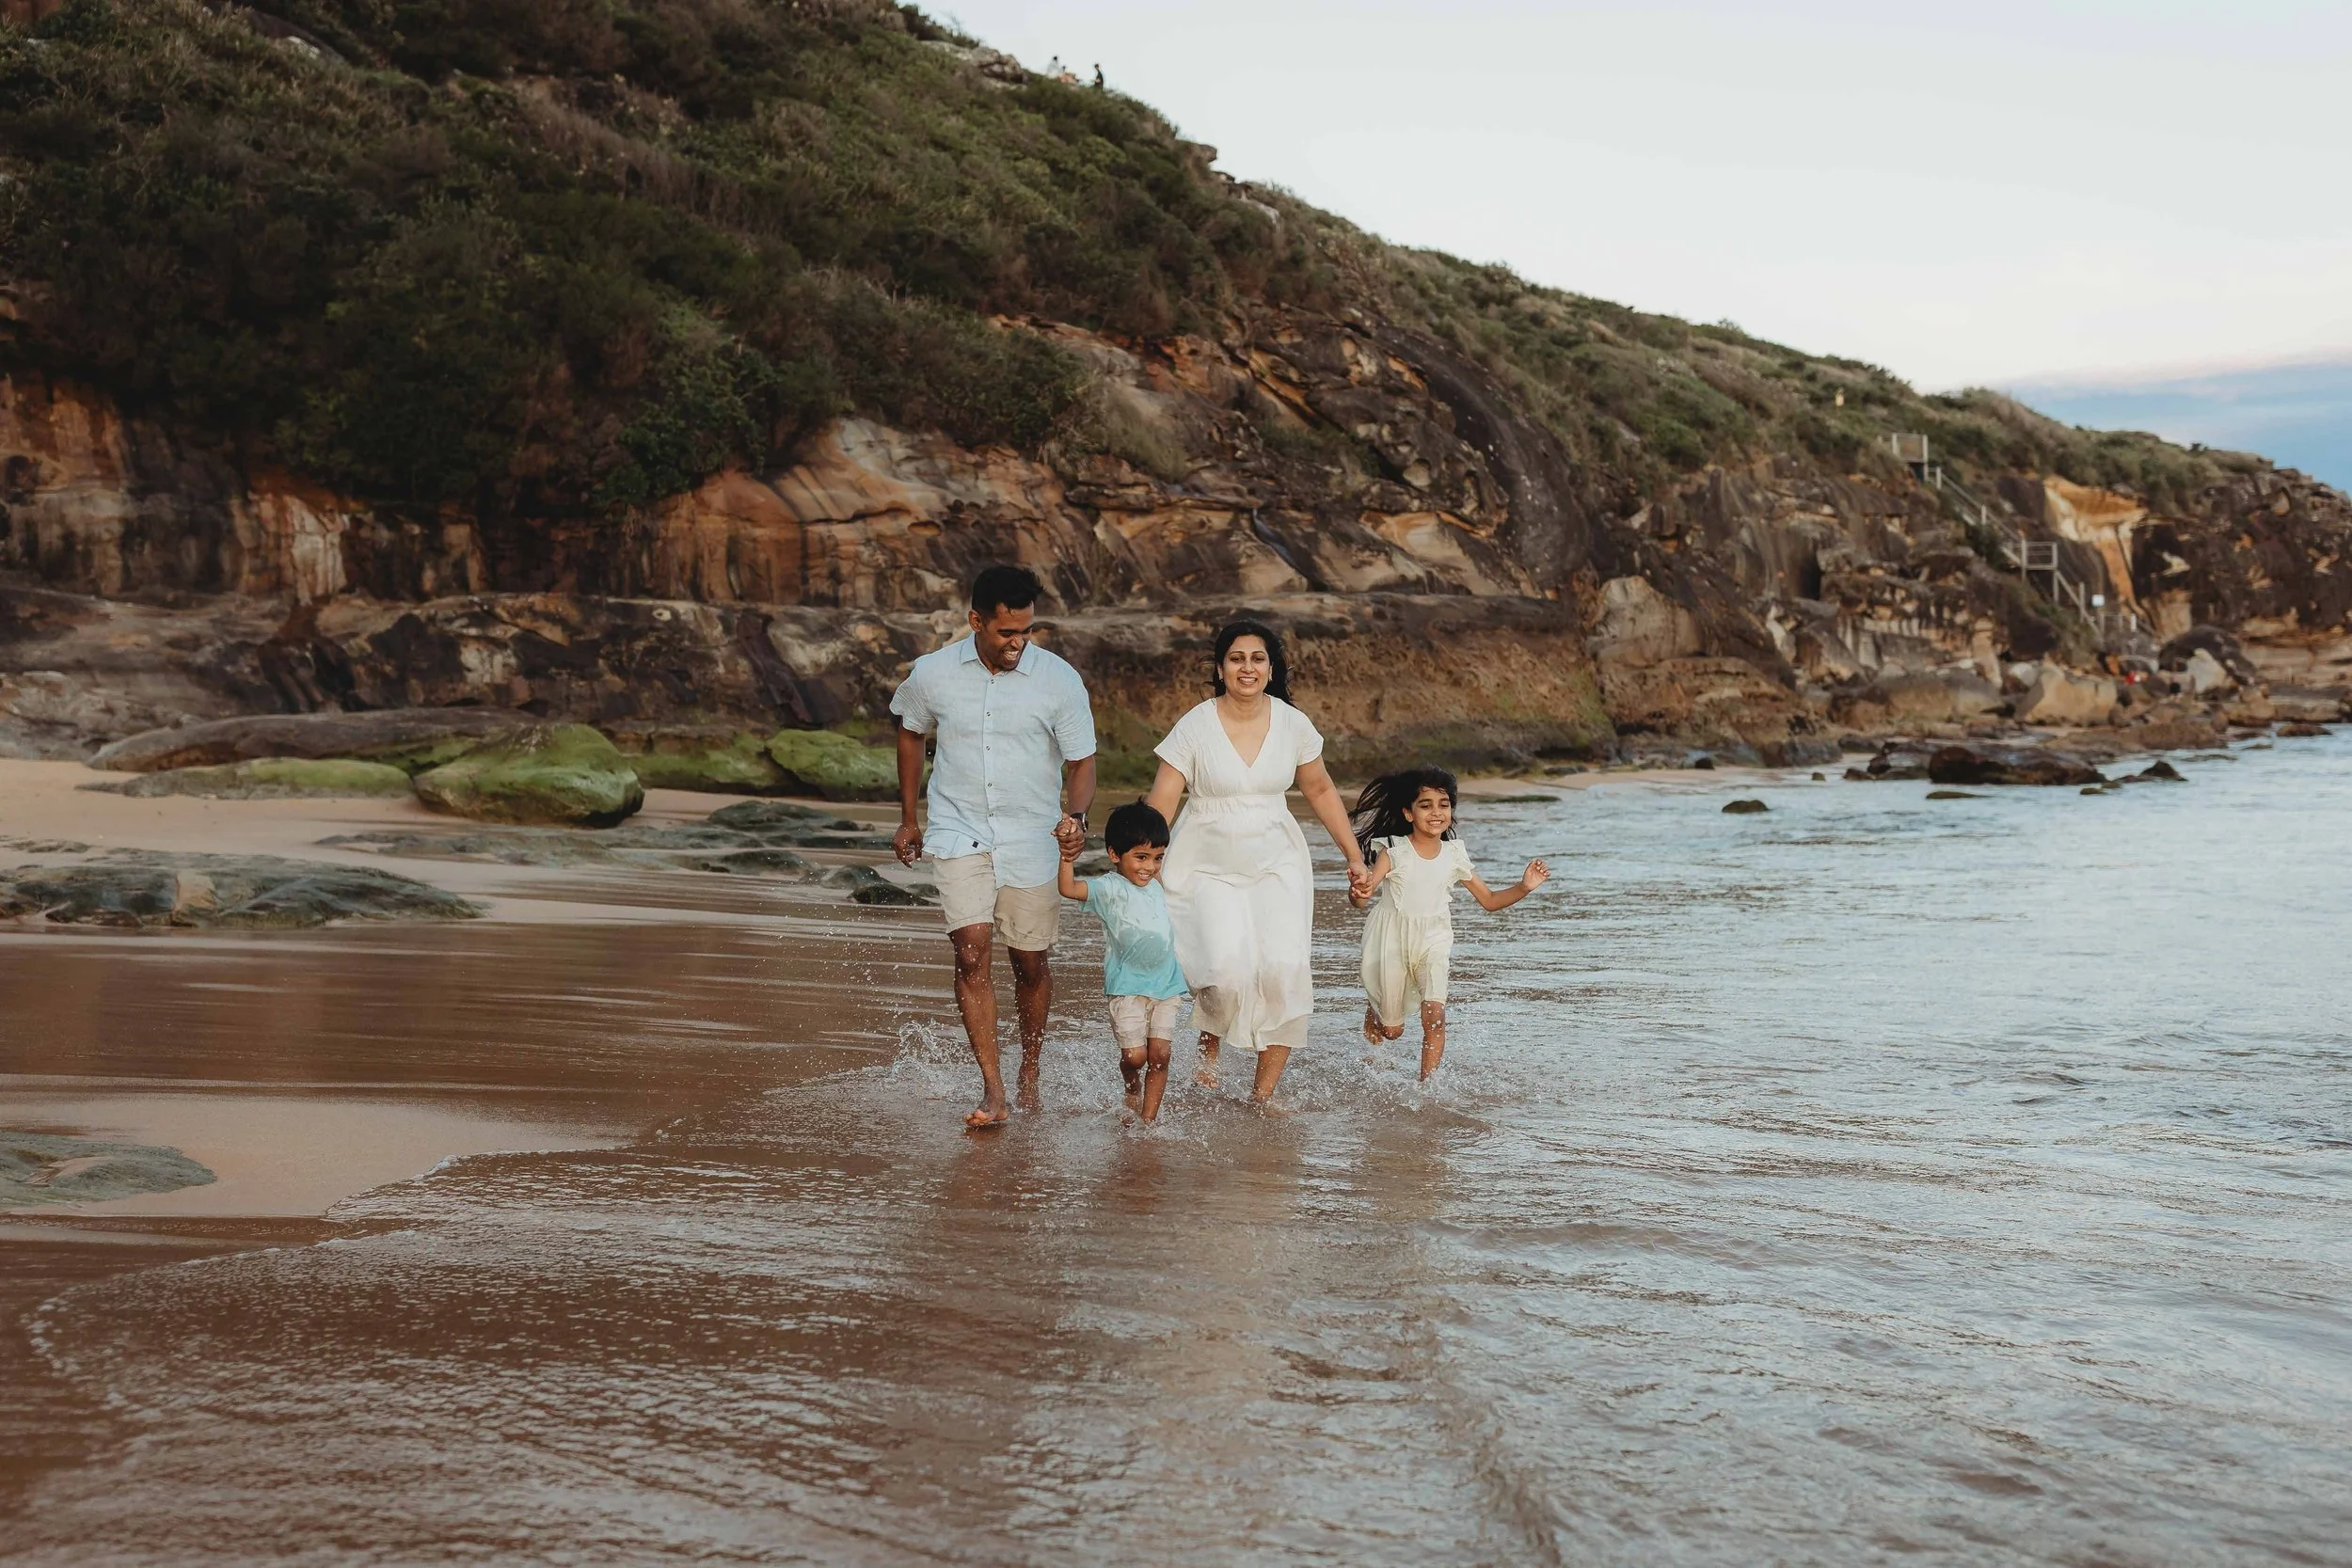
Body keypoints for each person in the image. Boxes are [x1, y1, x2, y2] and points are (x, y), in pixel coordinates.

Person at [892, 566, 1097, 1130]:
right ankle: (995, 1087)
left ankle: (1030, 1068)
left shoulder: (1059, 680)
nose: (1018, 644)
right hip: (959, 829)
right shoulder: (932, 674)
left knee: (1029, 962)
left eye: (1026, 631)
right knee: (971, 950)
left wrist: (1075, 818)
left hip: (1033, 837)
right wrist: (910, 819)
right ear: (976, 621)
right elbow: (910, 730)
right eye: (1007, 632)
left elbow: (1081, 762)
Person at [1144, 620, 1368, 1109]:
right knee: (1223, 971)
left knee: (1285, 971)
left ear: (1271, 667)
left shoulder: (1292, 723)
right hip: (1205, 861)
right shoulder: (1195, 724)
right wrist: (1143, 862)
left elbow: (1321, 789)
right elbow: (1163, 797)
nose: (1248, 667)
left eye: (1258, 658)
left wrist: (1353, 856)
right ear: (1221, 668)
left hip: (1277, 860)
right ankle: (1210, 1050)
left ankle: (1261, 1099)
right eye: (1237, 658)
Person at [1347, 768, 1549, 1081]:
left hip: (1434, 941)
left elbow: (1491, 901)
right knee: (1392, 1030)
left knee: (1435, 1016)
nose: (1436, 812)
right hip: (1391, 941)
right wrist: (1358, 892)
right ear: (1409, 814)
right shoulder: (1393, 851)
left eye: (1443, 804)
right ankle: (1376, 1011)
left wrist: (1524, 886)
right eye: (1425, 805)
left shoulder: (1454, 855)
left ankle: (1427, 1087)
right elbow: (1363, 897)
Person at [1056, 800, 1186, 1124]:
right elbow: (1068, 888)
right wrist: (1066, 858)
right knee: (1135, 1056)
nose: (1149, 867)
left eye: (1157, 858)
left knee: (1160, 1055)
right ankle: (1131, 1084)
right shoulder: (1109, 889)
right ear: (1115, 855)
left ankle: (1148, 1122)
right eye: (1141, 857)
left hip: (1167, 984)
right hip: (1127, 986)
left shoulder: (1157, 885)